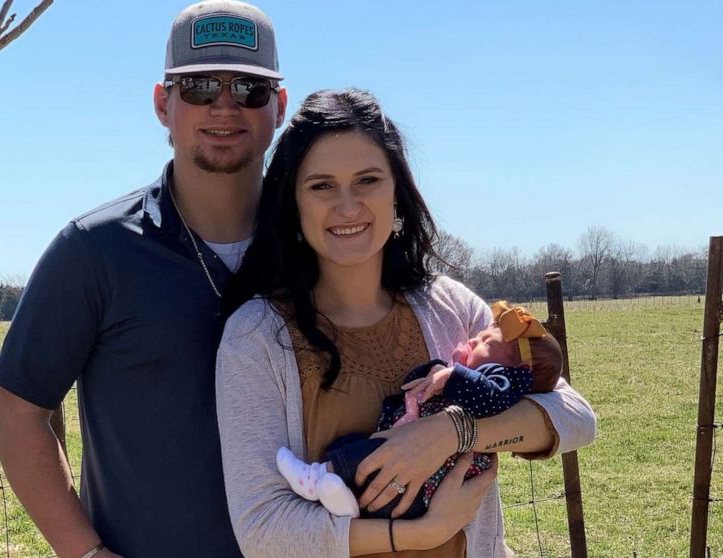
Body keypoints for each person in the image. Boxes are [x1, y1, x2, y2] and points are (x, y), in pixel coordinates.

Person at [215, 89, 596, 557]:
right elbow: (263, 530)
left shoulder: (449, 308)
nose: (349, 206)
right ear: (292, 205)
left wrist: (452, 432)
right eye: (322, 186)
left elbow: (577, 419)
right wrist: (420, 533)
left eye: (368, 180)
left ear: (397, 193)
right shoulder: (255, 336)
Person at [0, 1, 287, 556]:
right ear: (162, 103)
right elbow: (15, 412)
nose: (224, 106)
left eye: (249, 88)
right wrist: (84, 551)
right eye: (198, 87)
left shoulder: (315, 246)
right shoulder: (93, 251)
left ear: (280, 106)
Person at [275, 301, 563, 520]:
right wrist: (436, 372)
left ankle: (314, 478)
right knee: (349, 446)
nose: (475, 339)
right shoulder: (489, 379)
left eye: (488, 342)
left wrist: (452, 381)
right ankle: (344, 500)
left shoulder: (504, 384)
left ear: (518, 368)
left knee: (361, 457)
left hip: (425, 486)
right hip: (409, 479)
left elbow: (489, 398)